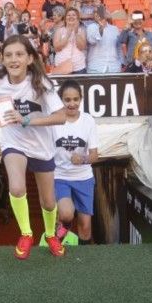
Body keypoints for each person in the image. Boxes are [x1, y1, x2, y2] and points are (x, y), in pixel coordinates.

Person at [0, 35, 66, 259]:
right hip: (13, 141)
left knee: (48, 201)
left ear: (30, 58)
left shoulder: (41, 83)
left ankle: (50, 235)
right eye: (8, 55)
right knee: (16, 187)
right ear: (2, 60)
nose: (13, 60)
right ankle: (26, 233)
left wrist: (27, 120)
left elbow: (62, 117)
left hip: (41, 144)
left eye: (19, 54)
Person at [53, 79, 98, 245]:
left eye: (75, 99)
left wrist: (83, 159)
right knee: (66, 214)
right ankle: (64, 225)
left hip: (84, 177)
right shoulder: (54, 121)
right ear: (61, 100)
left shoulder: (88, 120)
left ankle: (83, 261)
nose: (72, 104)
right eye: (67, 100)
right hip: (60, 176)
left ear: (80, 99)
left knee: (85, 227)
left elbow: (95, 155)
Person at [86, 5, 122, 73]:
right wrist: (101, 28)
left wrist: (121, 63)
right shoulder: (91, 27)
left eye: (101, 11)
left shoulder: (114, 29)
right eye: (96, 12)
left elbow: (118, 48)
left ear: (105, 14)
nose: (98, 14)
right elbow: (92, 41)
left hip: (114, 68)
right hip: (96, 68)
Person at [53, 8, 87, 74]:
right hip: (62, 66)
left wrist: (76, 32)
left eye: (74, 15)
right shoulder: (59, 30)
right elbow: (56, 48)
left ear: (77, 18)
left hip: (78, 66)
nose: (71, 17)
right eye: (68, 15)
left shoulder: (81, 30)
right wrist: (67, 35)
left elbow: (82, 47)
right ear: (65, 18)